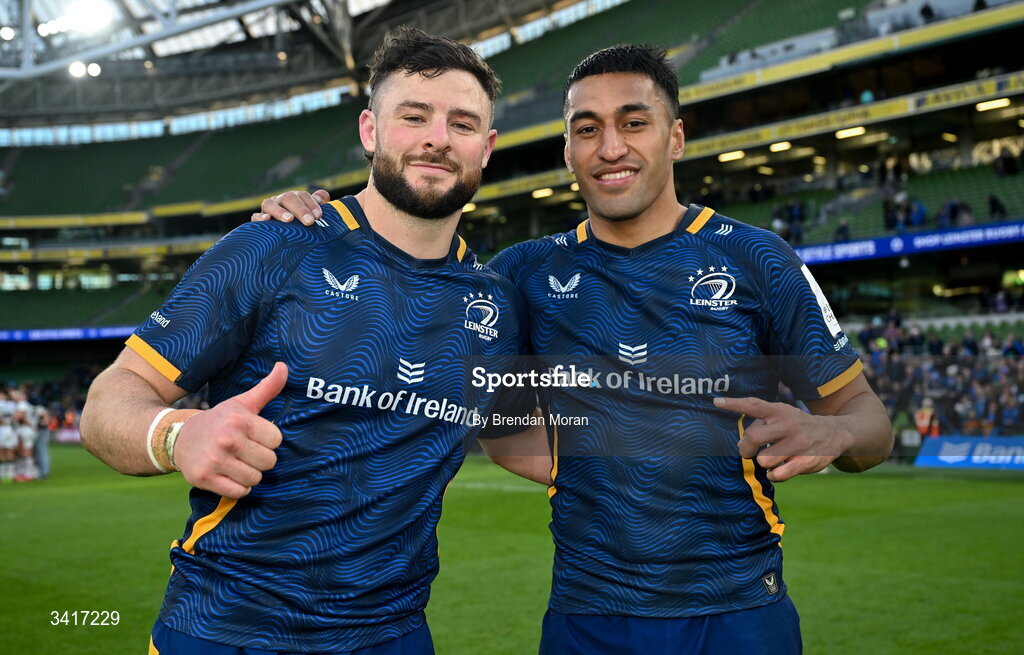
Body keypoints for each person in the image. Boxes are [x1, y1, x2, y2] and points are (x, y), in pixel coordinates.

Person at [259, 45, 893, 655]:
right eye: (586, 129)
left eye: (634, 123)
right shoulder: (521, 276)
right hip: (588, 617)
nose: (610, 147)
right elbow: (484, 405)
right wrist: (316, 221)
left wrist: (832, 435)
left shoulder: (759, 260)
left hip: (740, 611)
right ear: (567, 148)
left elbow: (871, 422)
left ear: (674, 137)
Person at [80, 27, 532, 655]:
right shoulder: (273, 246)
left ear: (485, 149)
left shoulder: (498, 307)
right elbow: (109, 400)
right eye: (414, 116)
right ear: (371, 131)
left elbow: (527, 442)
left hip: (392, 637)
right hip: (225, 630)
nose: (437, 137)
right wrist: (178, 434)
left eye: (462, 123)